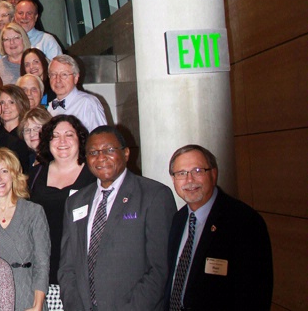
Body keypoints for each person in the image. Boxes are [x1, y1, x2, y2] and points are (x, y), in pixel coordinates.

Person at [59, 126, 176, 311]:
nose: (101, 157)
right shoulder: (75, 202)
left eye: (109, 150)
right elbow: (67, 267)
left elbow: (160, 269)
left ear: (126, 153)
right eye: (93, 152)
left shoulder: (154, 196)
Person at [165, 145, 273, 311]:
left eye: (198, 170)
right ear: (173, 180)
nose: (189, 180)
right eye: (181, 174)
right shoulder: (179, 219)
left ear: (213, 174)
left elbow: (255, 295)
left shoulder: (243, 221)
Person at [30, 115, 97, 310]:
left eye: (69, 135)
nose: (62, 141)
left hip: (82, 272)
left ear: (80, 139)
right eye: (55, 136)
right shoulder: (34, 175)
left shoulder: (94, 175)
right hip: (44, 273)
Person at [0, 147, 50, 311]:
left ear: (14, 174)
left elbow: (42, 263)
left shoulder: (34, 211)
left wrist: (37, 305)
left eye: (4, 171)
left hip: (28, 296)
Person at [47, 54, 107, 132]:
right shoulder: (50, 107)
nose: (58, 80)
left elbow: (102, 137)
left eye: (64, 74)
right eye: (53, 74)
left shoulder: (88, 103)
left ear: (76, 78)